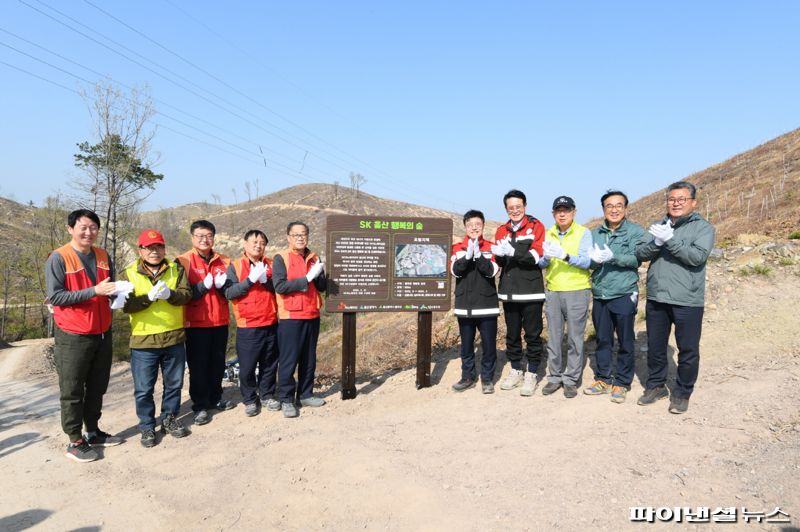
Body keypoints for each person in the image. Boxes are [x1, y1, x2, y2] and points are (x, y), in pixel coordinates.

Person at [45, 209, 123, 462]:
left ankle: (93, 431)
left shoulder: (102, 255)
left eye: (93, 228)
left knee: (97, 387)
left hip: (102, 331)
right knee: (73, 389)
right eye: (83, 227)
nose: (89, 232)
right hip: (73, 334)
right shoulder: (59, 258)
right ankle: (74, 440)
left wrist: (117, 293)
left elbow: (106, 288)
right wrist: (94, 291)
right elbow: (56, 297)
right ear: (71, 229)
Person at [635, 181, 715, 414]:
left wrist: (671, 240)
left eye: (681, 199)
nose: (676, 203)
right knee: (656, 346)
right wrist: (657, 242)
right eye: (672, 199)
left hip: (687, 299)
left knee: (688, 349)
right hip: (658, 297)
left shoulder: (703, 228)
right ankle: (656, 385)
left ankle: (682, 392)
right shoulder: (660, 224)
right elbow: (640, 253)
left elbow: (696, 257)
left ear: (693, 202)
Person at [120, 230, 192, 447]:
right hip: (144, 341)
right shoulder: (129, 273)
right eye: (149, 248)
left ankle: (169, 418)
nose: (154, 251)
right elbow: (125, 305)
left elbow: (186, 294)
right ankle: (147, 426)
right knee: (144, 389)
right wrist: (147, 299)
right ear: (140, 250)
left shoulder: (176, 269)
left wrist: (171, 296)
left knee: (174, 384)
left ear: (164, 248)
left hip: (174, 338)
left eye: (158, 247)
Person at [583, 191, 646, 403]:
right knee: (603, 338)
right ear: (603, 209)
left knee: (626, 339)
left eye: (619, 205)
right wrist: (592, 260)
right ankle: (603, 378)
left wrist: (614, 257)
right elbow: (590, 262)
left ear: (626, 208)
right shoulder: (594, 233)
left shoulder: (635, 231)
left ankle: (622, 381)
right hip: (601, 292)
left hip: (624, 292)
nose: (614, 209)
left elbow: (638, 258)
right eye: (609, 206)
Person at [177, 220, 234, 425]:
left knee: (218, 362)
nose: (204, 240)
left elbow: (230, 290)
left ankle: (216, 397)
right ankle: (200, 404)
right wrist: (202, 286)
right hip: (195, 321)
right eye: (200, 236)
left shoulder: (224, 260)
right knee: (198, 365)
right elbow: (182, 295)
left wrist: (220, 287)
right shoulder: (183, 261)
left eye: (209, 235)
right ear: (192, 237)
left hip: (219, 319)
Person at [492, 189, 546, 396]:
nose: (515, 210)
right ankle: (516, 369)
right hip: (509, 292)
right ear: (506, 209)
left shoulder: (536, 226)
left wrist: (514, 252)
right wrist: (498, 256)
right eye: (510, 207)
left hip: (531, 291)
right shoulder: (501, 230)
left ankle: (532, 372)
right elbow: (500, 261)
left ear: (525, 206)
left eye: (518, 206)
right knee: (512, 334)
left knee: (533, 334)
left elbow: (536, 254)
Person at [538, 196, 593, 398]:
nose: (562, 214)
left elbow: (587, 262)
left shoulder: (583, 233)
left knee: (574, 337)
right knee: (553, 336)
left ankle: (571, 379)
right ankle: (554, 377)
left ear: (574, 212)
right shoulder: (549, 233)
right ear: (553, 213)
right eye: (558, 210)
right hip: (553, 291)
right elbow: (542, 265)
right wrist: (545, 258)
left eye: (566, 210)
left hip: (577, 290)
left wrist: (566, 256)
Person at [272, 221, 327, 418]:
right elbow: (280, 286)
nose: (300, 238)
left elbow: (320, 286)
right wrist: (306, 279)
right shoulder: (281, 258)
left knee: (309, 358)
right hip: (291, 316)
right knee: (289, 359)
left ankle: (305, 394)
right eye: (296, 235)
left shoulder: (314, 257)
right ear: (288, 237)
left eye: (303, 234)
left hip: (312, 313)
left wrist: (321, 273)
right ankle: (286, 398)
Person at [224, 230, 280, 417]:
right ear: (245, 244)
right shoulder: (236, 266)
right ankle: (249, 399)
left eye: (262, 242)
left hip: (271, 321)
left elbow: (280, 290)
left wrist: (266, 281)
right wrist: (249, 280)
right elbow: (230, 293)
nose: (258, 245)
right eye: (254, 241)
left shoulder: (272, 264)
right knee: (247, 366)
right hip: (248, 325)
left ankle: (267, 395)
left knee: (269, 363)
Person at [449, 210, 500, 394]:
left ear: (483, 226)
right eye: (470, 224)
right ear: (465, 226)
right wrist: (468, 255)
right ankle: (468, 377)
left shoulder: (491, 247)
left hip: (487, 306)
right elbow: (455, 270)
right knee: (467, 345)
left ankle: (487, 379)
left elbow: (491, 271)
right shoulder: (457, 248)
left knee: (488, 345)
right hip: (465, 306)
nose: (474, 228)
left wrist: (479, 256)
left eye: (478, 224)